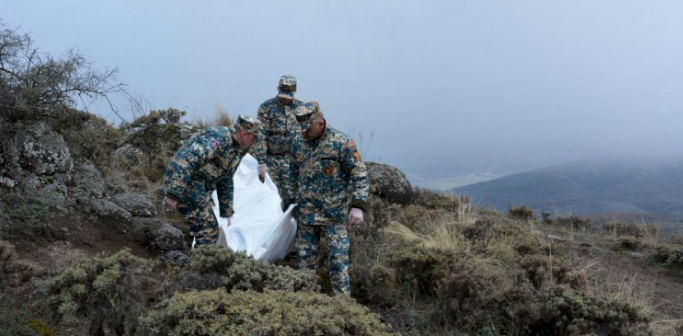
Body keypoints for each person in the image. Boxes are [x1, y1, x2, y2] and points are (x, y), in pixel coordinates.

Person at [289, 101, 369, 295]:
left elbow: (359, 174)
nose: (303, 132)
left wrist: (358, 206)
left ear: (320, 123)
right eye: (300, 127)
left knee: (338, 267)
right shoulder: (298, 142)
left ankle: (343, 309)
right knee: (304, 269)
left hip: (334, 217)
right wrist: (289, 202)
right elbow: (292, 173)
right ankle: (306, 308)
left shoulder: (341, 143)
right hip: (306, 217)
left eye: (307, 128)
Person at [160, 115, 263, 246]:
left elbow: (226, 180)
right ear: (244, 134)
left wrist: (227, 212)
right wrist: (173, 194)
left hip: (196, 185)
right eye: (253, 138)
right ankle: (200, 264)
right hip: (184, 181)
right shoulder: (219, 138)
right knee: (208, 229)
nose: (253, 142)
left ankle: (198, 260)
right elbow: (188, 159)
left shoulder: (235, 150)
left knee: (208, 228)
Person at [252, 75, 303, 209]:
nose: (285, 99)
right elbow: (260, 135)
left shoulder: (301, 108)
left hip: (292, 161)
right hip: (271, 160)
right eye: (282, 95)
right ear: (278, 88)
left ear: (295, 90)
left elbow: (307, 135)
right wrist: (261, 162)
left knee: (293, 197)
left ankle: (294, 228)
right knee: (272, 197)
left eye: (288, 96)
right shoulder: (266, 107)